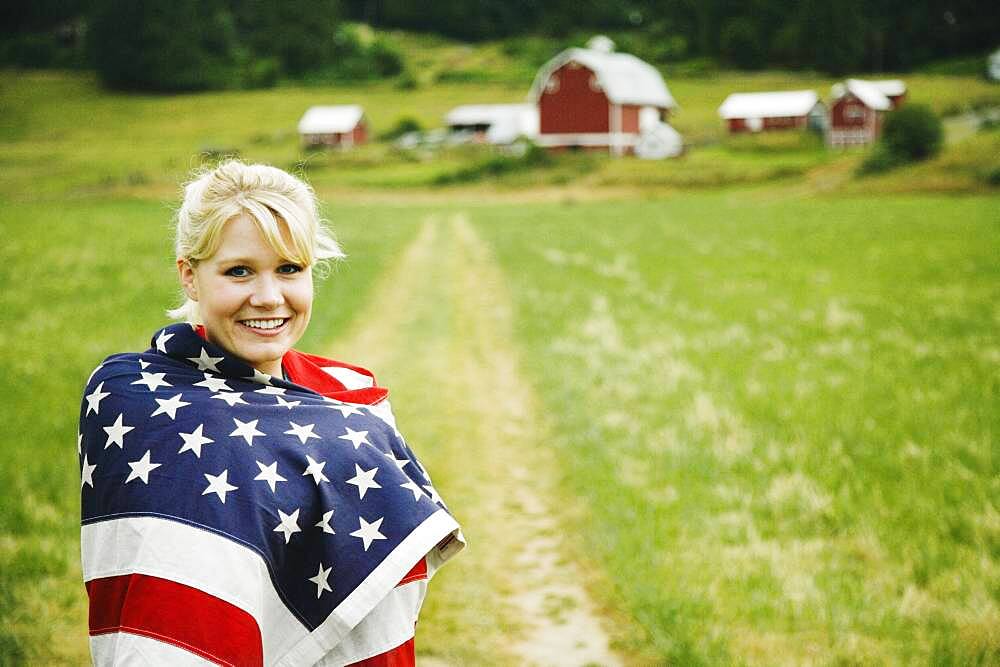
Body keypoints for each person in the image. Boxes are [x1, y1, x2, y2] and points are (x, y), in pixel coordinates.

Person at [78, 160, 463, 665]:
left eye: (289, 269)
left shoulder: (351, 396)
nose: (268, 297)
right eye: (239, 271)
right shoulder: (135, 399)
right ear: (190, 276)